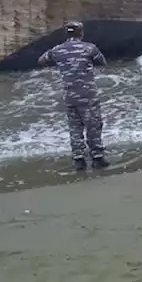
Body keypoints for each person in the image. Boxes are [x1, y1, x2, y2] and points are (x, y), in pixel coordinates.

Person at [38, 21, 109, 172]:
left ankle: (79, 160)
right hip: (87, 94)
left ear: (67, 33)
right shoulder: (89, 48)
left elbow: (42, 60)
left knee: (75, 128)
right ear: (81, 33)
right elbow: (102, 62)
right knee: (93, 126)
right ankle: (97, 158)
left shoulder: (57, 50)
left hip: (70, 96)